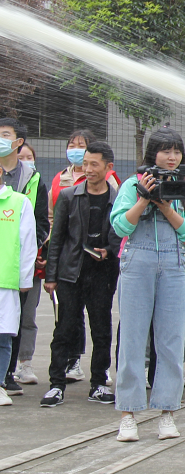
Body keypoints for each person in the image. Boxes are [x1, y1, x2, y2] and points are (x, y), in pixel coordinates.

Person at [111, 128, 185, 443]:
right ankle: (128, 414)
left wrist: (166, 207)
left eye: (176, 151)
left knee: (170, 340)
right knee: (132, 338)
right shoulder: (130, 185)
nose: (171, 156)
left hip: (175, 264)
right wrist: (143, 199)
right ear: (153, 153)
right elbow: (120, 225)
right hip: (137, 261)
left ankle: (167, 413)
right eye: (165, 150)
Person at [40, 141, 120, 406]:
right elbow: (57, 239)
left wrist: (109, 250)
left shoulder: (117, 198)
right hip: (70, 274)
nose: (87, 169)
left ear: (108, 167)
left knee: (101, 330)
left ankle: (98, 383)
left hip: (102, 274)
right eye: (85, 163)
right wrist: (51, 276)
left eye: (93, 164)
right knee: (64, 329)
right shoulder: (68, 196)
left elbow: (122, 234)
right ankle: (56, 384)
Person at [0, 119, 49, 395]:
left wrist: (32, 251)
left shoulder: (33, 178)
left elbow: (41, 222)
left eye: (6, 135)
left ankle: (8, 372)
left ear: (19, 142)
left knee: (15, 319)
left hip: (15, 263)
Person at [0, 165, 36, 409]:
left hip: (6, 281)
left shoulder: (19, 202)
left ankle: (1, 385)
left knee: (3, 336)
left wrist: (25, 279)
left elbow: (28, 242)